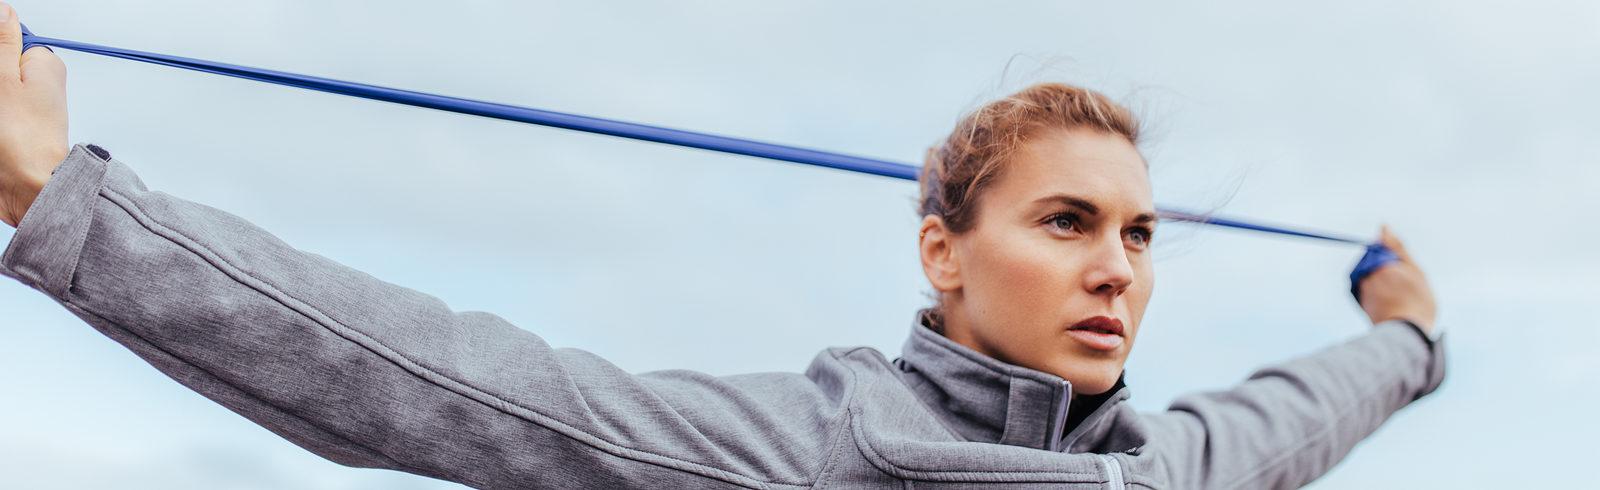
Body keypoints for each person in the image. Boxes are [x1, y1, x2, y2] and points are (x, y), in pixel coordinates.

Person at [0, 5, 1444, 489]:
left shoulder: (1156, 466)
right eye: (1065, 221)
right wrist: (63, 203)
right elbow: (446, 381)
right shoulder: (820, 449)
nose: (1119, 264)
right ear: (942, 251)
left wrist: (1407, 335)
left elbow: (1292, 413)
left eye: (1136, 230)